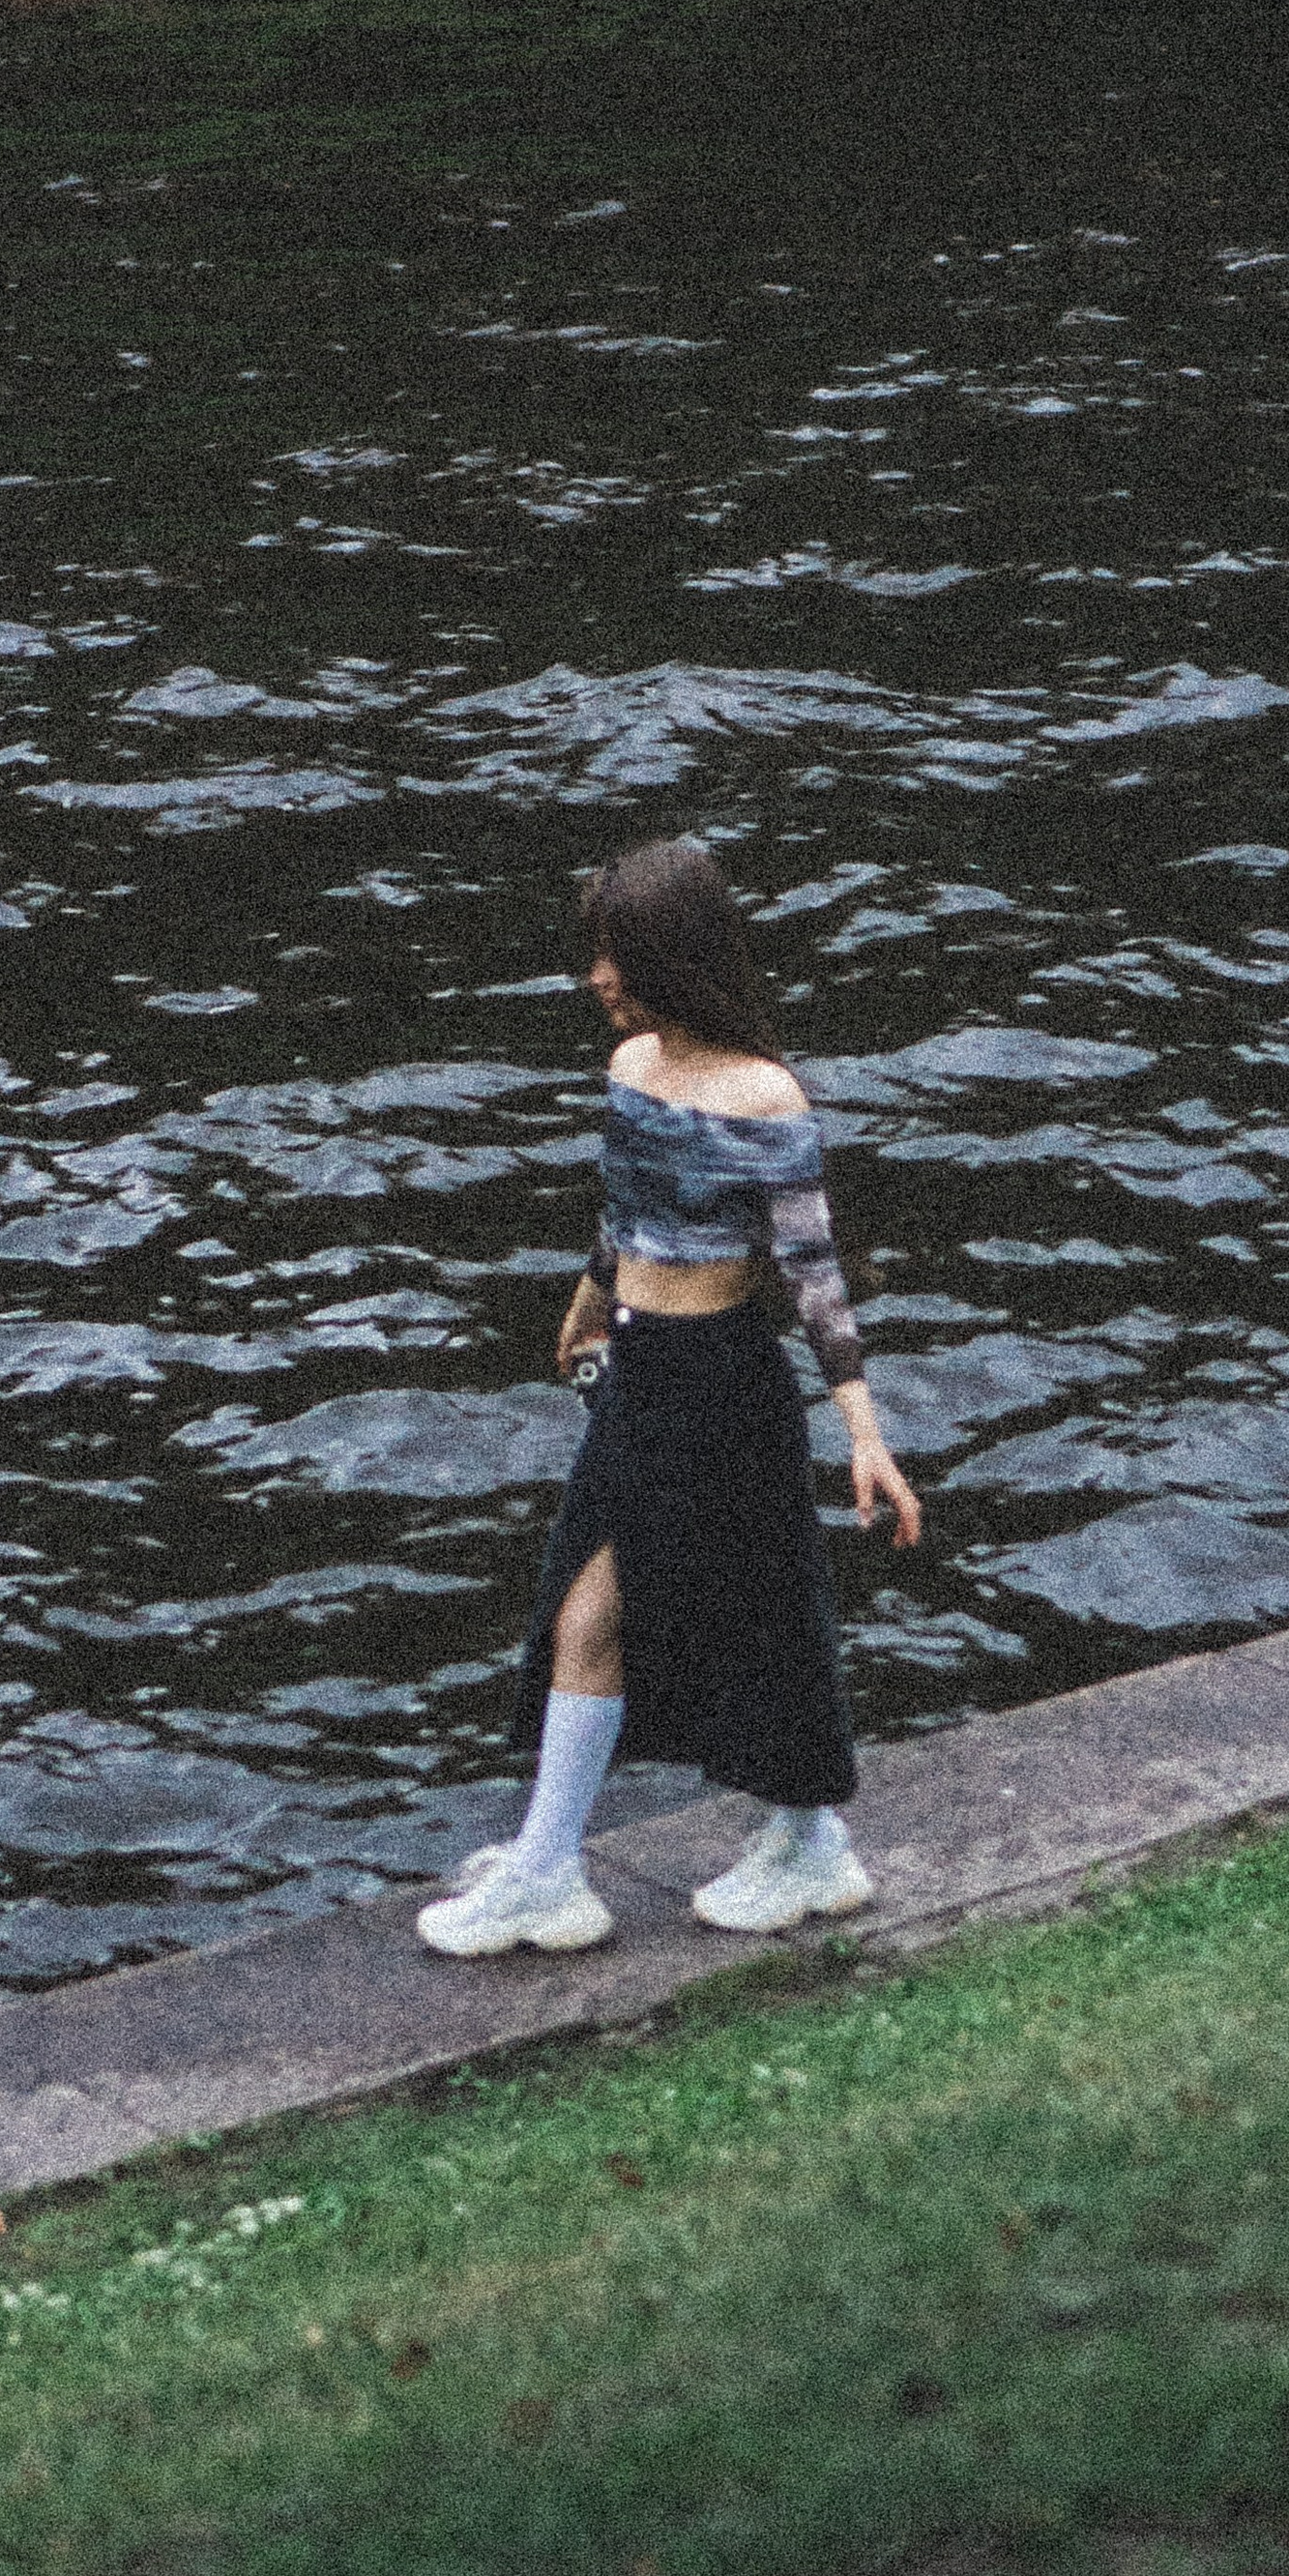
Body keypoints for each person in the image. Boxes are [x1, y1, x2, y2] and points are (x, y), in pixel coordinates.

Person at [419, 836, 921, 1958]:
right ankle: (788, 1842)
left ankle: (567, 1870)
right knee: (630, 1612)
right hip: (640, 1365)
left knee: (689, 1612)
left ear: (669, 957)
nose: (595, 978)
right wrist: (587, 1299)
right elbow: (624, 1209)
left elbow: (814, 1279)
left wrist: (864, 1439)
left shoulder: (763, 1096)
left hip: (720, 1383)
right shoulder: (632, 1069)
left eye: (613, 957)